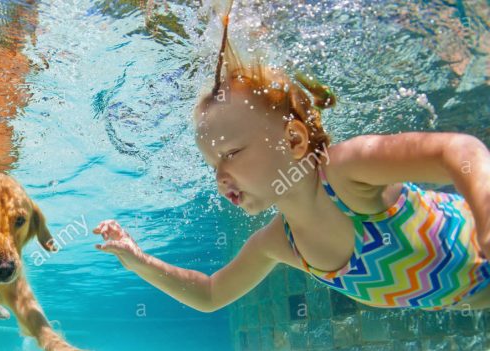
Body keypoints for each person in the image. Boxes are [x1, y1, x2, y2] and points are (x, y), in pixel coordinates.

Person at [93, 10, 490, 313]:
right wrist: (138, 260)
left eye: (230, 153)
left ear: (295, 140)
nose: (220, 176)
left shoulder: (345, 172)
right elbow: (211, 293)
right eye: (212, 164)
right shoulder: (279, 243)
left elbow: (460, 152)